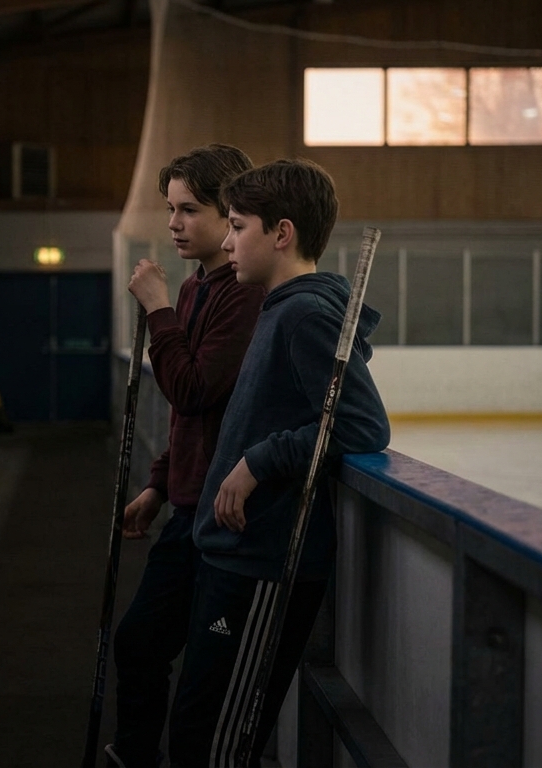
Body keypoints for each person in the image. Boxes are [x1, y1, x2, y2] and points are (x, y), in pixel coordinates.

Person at [169, 159, 389, 767]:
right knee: (196, 726)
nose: (228, 242)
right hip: (235, 555)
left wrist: (259, 461)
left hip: (262, 563)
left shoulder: (305, 313)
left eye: (238, 227)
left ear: (282, 233)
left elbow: (361, 425)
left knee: (218, 742)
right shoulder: (278, 306)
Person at [106, 145, 264, 768]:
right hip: (188, 507)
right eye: (170, 209)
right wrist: (158, 482)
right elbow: (189, 416)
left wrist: (157, 309)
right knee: (138, 641)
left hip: (223, 520)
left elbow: (194, 388)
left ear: (231, 213)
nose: (173, 223)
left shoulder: (243, 295)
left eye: (189, 210)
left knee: (203, 677)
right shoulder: (197, 285)